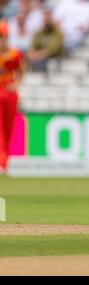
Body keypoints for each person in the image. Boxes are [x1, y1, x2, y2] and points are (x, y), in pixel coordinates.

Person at [0, 22, 24, 174]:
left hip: (9, 95)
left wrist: (16, 84)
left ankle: (5, 163)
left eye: (2, 37)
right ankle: (1, 161)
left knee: (8, 129)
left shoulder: (14, 54)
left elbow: (21, 72)